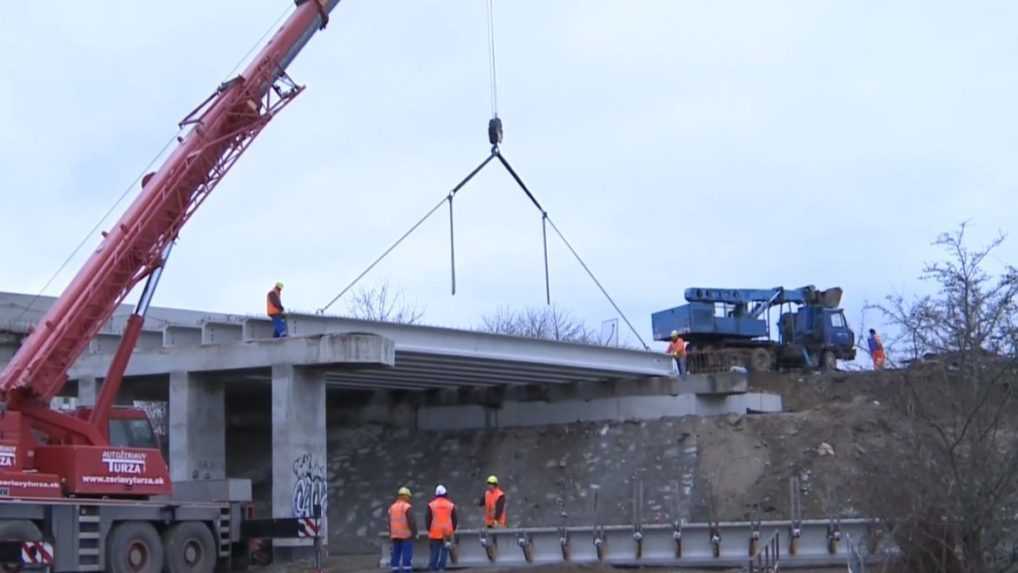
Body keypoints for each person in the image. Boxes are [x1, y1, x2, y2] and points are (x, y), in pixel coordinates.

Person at [426, 485, 457, 571]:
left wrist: (429, 529)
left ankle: (433, 568)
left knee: (434, 551)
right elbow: (454, 519)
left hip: (435, 532)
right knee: (444, 551)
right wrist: (452, 529)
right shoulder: (450, 505)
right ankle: (442, 568)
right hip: (447, 533)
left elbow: (428, 519)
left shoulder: (431, 505)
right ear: (445, 494)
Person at [389, 486, 417, 573]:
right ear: (406, 496)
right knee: (407, 554)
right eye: (408, 497)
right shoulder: (407, 507)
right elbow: (411, 521)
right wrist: (415, 533)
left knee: (395, 554)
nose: (409, 499)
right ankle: (407, 570)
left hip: (395, 535)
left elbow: (389, 521)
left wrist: (391, 533)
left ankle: (395, 570)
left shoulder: (392, 507)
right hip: (406, 535)